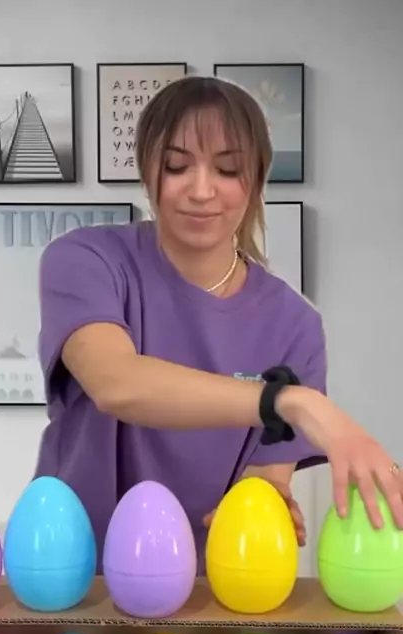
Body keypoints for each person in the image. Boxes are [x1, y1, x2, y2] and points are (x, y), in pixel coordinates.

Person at [35, 75, 403, 574]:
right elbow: (114, 382)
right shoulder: (87, 260)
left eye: (228, 169)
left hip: (212, 591)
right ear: (147, 169)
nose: (202, 190)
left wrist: (263, 503)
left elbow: (263, 480)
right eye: (176, 166)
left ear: (256, 180)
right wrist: (292, 400)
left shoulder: (293, 326)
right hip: (73, 581)